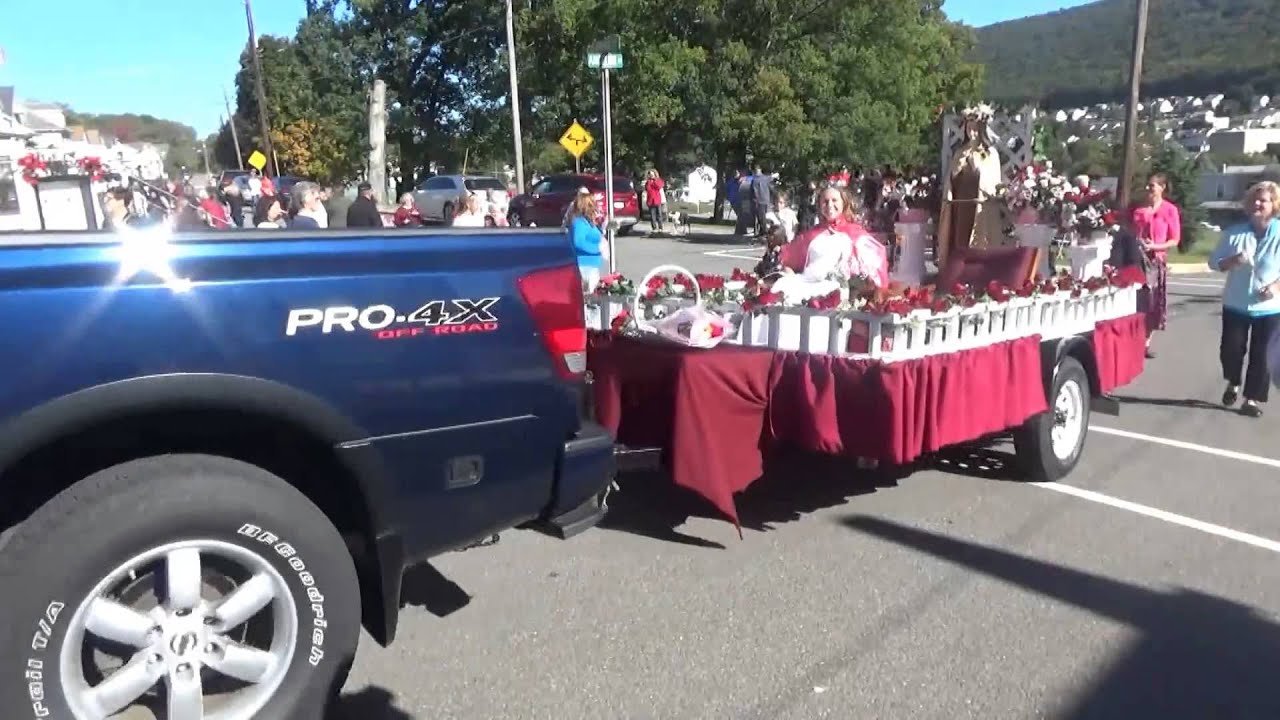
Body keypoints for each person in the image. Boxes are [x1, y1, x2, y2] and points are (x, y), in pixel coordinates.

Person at [1208, 181, 1280, 418]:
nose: (1259, 204)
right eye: (1255, 200)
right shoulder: (1235, 232)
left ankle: (1251, 399)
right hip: (1236, 303)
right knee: (1230, 350)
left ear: (1274, 205)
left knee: (1261, 355)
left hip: (1269, 308)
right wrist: (1232, 261)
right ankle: (1233, 381)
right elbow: (1214, 263)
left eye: (1265, 200)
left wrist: (1275, 287)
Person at [770, 187, 888, 300]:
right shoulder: (810, 235)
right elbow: (789, 260)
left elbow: (876, 263)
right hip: (808, 287)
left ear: (843, 203)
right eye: (825, 201)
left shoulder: (856, 234)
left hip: (839, 292)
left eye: (834, 200)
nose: (830, 205)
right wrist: (789, 275)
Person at [1129, 172, 1182, 358]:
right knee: (1136, 301)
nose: (1148, 189)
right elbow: (1131, 234)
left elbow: (1174, 239)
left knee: (1153, 303)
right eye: (1148, 185)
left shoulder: (1169, 210)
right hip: (1137, 261)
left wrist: (1155, 246)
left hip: (1155, 261)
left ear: (1162, 187)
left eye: (1152, 186)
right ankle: (1133, 340)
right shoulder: (1138, 211)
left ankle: (1145, 343)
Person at [566, 188, 605, 288]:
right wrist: (597, 249)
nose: (595, 207)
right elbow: (578, 242)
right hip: (584, 265)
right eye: (592, 204)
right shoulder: (579, 222)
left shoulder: (587, 222)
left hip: (592, 265)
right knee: (588, 297)